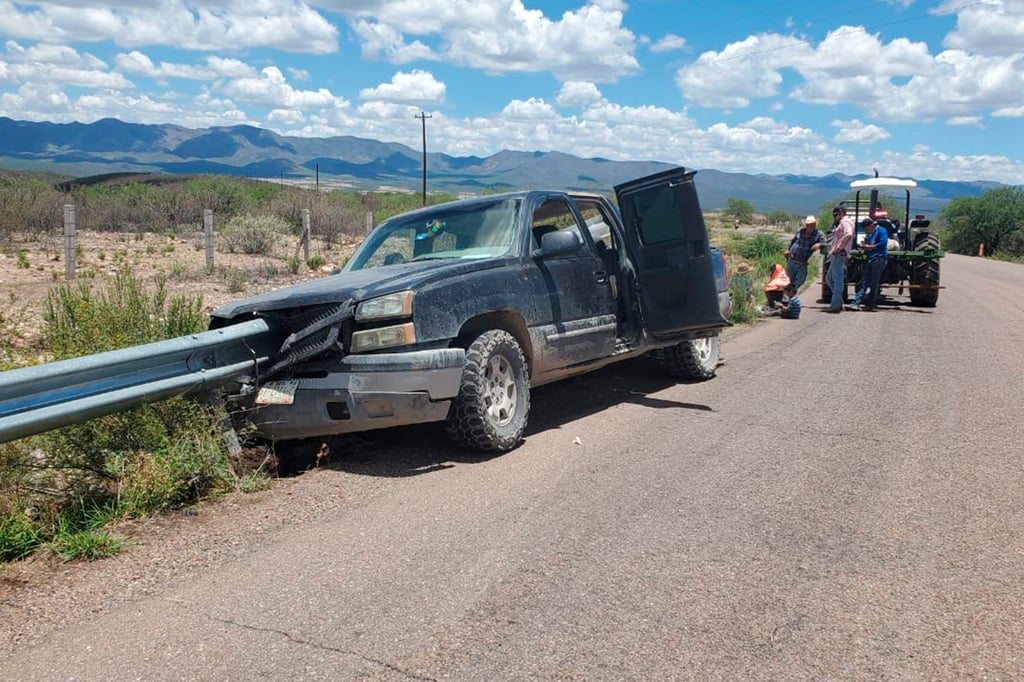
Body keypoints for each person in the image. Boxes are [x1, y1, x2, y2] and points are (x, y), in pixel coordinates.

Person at [851, 218, 889, 311]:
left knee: (874, 282)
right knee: (864, 281)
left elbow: (883, 243)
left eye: (867, 229)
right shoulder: (871, 234)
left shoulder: (881, 231)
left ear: (872, 226)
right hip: (871, 258)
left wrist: (871, 247)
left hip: (879, 258)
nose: (867, 231)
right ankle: (856, 301)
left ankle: (871, 304)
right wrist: (865, 246)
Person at [824, 204, 854, 313]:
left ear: (841, 213)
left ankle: (835, 305)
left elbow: (848, 234)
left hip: (839, 254)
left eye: (836, 215)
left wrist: (839, 247)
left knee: (837, 280)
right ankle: (838, 301)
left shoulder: (845, 222)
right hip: (837, 254)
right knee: (829, 278)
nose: (835, 217)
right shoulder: (844, 222)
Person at [784, 215, 825, 289]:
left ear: (815, 225)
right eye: (808, 225)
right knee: (788, 280)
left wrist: (819, 244)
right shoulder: (800, 231)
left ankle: (791, 292)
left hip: (802, 262)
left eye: (812, 225)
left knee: (800, 280)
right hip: (792, 259)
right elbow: (792, 242)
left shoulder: (818, 234)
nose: (810, 226)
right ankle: (787, 297)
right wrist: (787, 250)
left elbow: (825, 243)